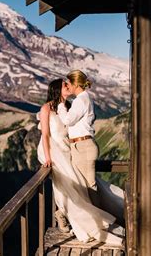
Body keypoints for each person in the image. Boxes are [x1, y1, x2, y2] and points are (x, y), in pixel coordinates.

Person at [37, 79, 124, 245]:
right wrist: (48, 157)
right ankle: (81, 221)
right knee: (69, 185)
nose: (68, 86)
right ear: (57, 89)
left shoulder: (69, 107)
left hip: (69, 150)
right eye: (65, 85)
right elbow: (45, 135)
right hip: (55, 151)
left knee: (80, 186)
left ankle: (63, 213)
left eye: (69, 83)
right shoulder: (46, 108)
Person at [57, 69, 100, 206]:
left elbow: (68, 120)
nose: (67, 86)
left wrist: (61, 105)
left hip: (83, 147)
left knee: (88, 187)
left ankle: (99, 223)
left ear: (75, 84)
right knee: (85, 186)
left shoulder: (81, 100)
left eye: (68, 83)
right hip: (81, 146)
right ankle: (95, 222)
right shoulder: (84, 98)